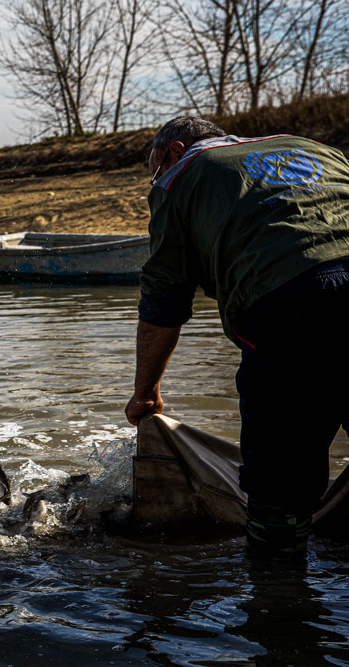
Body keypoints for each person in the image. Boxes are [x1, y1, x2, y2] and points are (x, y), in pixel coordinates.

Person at [124, 116, 349, 557]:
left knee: (279, 478)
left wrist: (145, 392)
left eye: (152, 165)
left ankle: (277, 601)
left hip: (290, 306)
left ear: (174, 149)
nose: (154, 176)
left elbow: (164, 299)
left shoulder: (180, 174)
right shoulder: (313, 146)